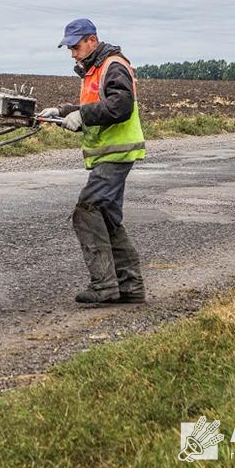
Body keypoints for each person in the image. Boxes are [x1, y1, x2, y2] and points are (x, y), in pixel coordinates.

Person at [39, 18, 147, 304]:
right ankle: (130, 287)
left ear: (91, 40)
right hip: (110, 154)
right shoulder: (95, 70)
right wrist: (63, 111)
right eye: (70, 49)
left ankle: (104, 286)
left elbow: (121, 106)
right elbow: (94, 105)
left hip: (117, 153)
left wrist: (83, 117)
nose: (73, 53)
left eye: (75, 47)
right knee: (108, 219)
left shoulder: (113, 65)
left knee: (86, 212)